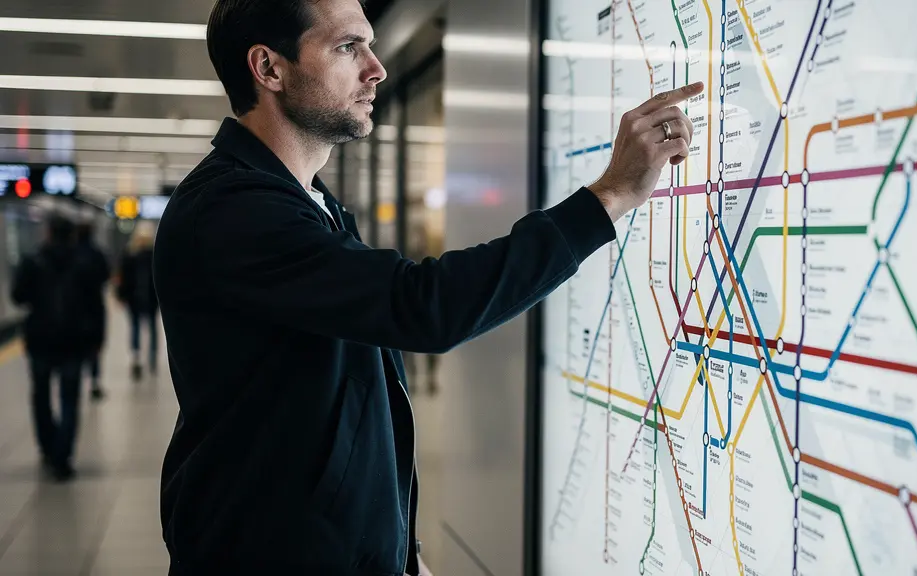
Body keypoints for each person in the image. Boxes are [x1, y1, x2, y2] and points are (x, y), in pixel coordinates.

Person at [153, 0, 702, 573]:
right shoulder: (232, 211)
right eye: (347, 47)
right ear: (269, 68)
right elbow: (421, 308)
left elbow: (347, 399)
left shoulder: (311, 205)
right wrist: (607, 198)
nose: (377, 67)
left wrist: (397, 547)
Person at [11, 214, 94, 481]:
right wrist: (96, 339)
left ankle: (48, 447)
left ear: (47, 233)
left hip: (40, 341)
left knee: (41, 396)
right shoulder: (83, 263)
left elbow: (18, 296)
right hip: (73, 341)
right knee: (70, 398)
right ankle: (63, 457)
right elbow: (95, 306)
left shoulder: (32, 261)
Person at [116, 222, 159, 381]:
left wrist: (121, 295)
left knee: (135, 326)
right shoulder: (155, 255)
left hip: (133, 298)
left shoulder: (129, 255)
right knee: (152, 327)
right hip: (151, 297)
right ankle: (152, 356)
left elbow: (123, 278)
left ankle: (136, 356)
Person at [76, 221, 111, 400]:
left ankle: (76, 381)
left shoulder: (71, 255)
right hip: (94, 309)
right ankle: (95, 382)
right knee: (94, 348)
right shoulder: (97, 254)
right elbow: (106, 276)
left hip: (75, 311)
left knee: (77, 348)